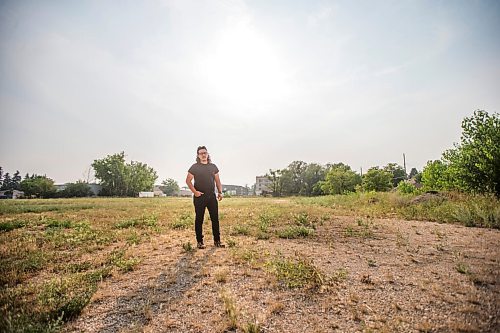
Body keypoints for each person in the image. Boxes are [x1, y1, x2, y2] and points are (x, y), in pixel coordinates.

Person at [186, 146, 225, 249]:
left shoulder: (213, 167)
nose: (203, 155)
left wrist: (220, 192)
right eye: (201, 153)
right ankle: (200, 242)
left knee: (215, 219)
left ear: (207, 154)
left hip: (212, 196)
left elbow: (218, 181)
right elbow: (188, 181)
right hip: (199, 197)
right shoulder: (194, 167)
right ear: (198, 155)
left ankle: (217, 241)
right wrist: (195, 192)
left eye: (205, 153)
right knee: (199, 219)